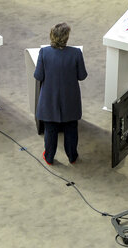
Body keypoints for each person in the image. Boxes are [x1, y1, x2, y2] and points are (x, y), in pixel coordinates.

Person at [34, 22, 87, 165]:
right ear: (67, 38)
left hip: (49, 100)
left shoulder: (44, 52)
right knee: (71, 129)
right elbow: (82, 75)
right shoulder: (76, 53)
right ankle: (72, 156)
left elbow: (38, 76)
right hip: (70, 99)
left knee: (50, 131)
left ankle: (49, 157)